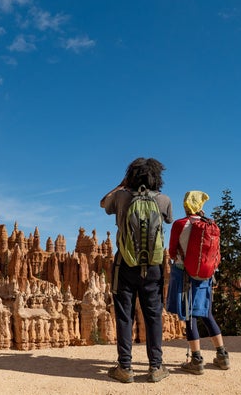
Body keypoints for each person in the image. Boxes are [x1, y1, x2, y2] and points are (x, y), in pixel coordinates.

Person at [100, 157, 173, 383]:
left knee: (124, 316)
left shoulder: (122, 197)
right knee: (153, 316)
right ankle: (156, 367)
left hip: (125, 264)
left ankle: (125, 368)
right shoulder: (163, 199)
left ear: (131, 176)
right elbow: (169, 219)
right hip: (153, 267)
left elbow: (104, 203)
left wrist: (122, 185)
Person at [166, 190, 230, 374]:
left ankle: (196, 360)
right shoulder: (209, 223)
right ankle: (222, 355)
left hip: (184, 274)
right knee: (206, 313)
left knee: (190, 316)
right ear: (200, 205)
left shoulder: (180, 224)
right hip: (205, 275)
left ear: (186, 205)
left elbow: (171, 251)